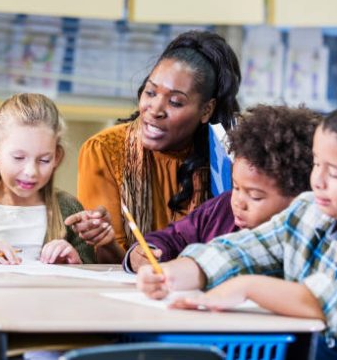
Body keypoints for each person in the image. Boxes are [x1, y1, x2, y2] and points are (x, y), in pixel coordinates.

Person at [137, 97, 337, 360]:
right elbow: (240, 251)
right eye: (317, 164)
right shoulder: (308, 211)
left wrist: (248, 287)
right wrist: (173, 274)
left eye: (334, 173)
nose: (317, 180)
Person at [65, 30, 241, 263]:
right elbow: (104, 265)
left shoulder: (224, 160)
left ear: (206, 110)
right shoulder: (105, 150)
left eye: (176, 102)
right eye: (150, 92)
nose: (155, 109)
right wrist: (108, 242)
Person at [125, 105, 320, 273]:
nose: (238, 202)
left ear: (299, 199)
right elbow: (174, 237)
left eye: (255, 196)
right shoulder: (220, 210)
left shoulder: (307, 240)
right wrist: (145, 252)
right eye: (236, 187)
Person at [0, 93, 95, 264]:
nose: (31, 171)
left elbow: (91, 268)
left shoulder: (69, 207)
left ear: (57, 157)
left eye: (44, 160)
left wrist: (75, 261)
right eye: (18, 157)